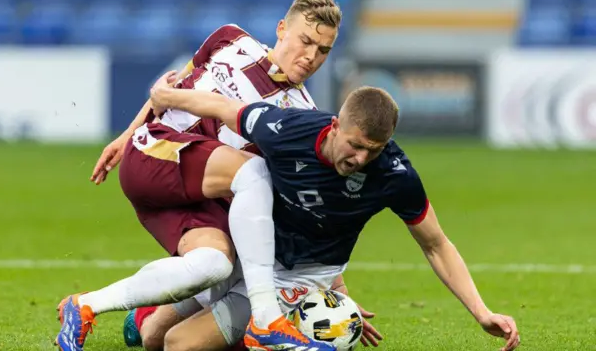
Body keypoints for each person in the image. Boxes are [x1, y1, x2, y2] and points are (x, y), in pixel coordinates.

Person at [56, 0, 346, 351]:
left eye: (323, 50)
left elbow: (301, 206)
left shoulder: (301, 115)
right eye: (306, 41)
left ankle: (90, 307)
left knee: (214, 265)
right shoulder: (230, 38)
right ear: (282, 28)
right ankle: (267, 320)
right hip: (155, 153)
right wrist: (127, 136)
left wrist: (330, 283)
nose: (311, 57)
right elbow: (170, 92)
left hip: (196, 197)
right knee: (254, 171)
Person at [143, 82, 522, 351]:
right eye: (355, 145)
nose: (360, 159)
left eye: (372, 151)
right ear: (335, 125)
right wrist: (165, 96)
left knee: (180, 344)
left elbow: (436, 244)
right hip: (250, 256)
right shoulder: (287, 130)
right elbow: (223, 107)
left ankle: (287, 324)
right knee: (153, 338)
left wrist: (481, 312)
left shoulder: (394, 175)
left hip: (300, 279)